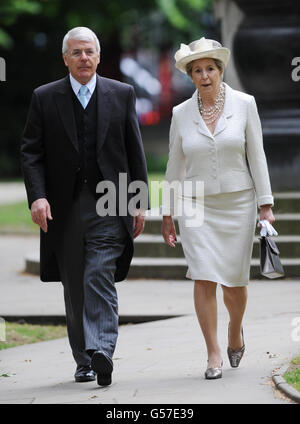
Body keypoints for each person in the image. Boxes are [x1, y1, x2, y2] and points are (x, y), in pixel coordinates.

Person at [20, 27, 148, 386]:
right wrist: (38, 196)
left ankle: (102, 349)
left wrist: (138, 204)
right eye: (76, 52)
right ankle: (84, 360)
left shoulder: (121, 94)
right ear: (65, 58)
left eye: (89, 51)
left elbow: (134, 151)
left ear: (99, 56)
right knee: (74, 284)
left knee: (99, 275)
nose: (83, 58)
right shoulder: (45, 97)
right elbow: (31, 151)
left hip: (111, 202)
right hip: (64, 206)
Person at [161, 37, 275, 380]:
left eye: (210, 68)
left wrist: (265, 205)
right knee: (203, 276)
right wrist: (167, 212)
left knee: (235, 284)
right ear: (191, 76)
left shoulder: (245, 104)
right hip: (196, 205)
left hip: (238, 203)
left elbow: (257, 155)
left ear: (220, 70)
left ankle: (234, 332)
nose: (205, 75)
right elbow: (173, 164)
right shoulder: (180, 113)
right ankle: (213, 353)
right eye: (197, 70)